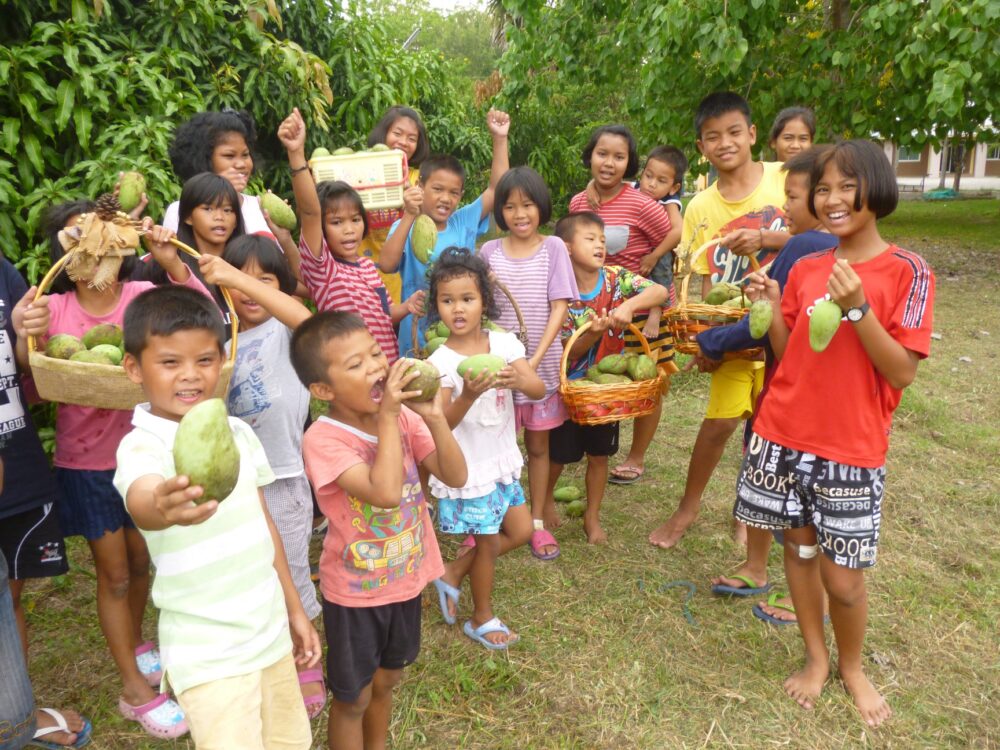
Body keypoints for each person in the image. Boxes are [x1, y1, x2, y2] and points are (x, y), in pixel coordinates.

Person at [738, 139, 934, 727]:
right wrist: (774, 305)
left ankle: (852, 664)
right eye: (822, 189)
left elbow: (901, 370)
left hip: (849, 448)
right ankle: (816, 657)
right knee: (797, 550)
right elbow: (790, 353)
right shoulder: (804, 267)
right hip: (782, 434)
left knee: (844, 581)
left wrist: (857, 309)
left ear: (877, 188)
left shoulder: (908, 272)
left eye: (847, 186)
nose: (832, 199)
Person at [115, 285, 321, 748]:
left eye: (205, 360)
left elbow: (263, 520)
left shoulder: (238, 432)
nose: (191, 376)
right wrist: (163, 506)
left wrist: (294, 608)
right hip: (207, 654)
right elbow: (142, 498)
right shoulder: (142, 444)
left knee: (289, 741)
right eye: (170, 363)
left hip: (267, 633)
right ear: (134, 368)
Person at [41, 203, 209, 739]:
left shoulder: (142, 297)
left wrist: (173, 265)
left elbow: (205, 322)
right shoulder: (54, 310)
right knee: (113, 574)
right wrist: (26, 329)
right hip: (87, 463)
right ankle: (134, 688)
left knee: (141, 563)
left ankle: (136, 643)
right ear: (68, 251)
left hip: (148, 453)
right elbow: (32, 371)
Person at [290, 312, 467, 749]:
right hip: (355, 594)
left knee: (388, 680)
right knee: (354, 697)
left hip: (405, 580)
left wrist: (434, 417)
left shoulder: (406, 418)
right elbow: (385, 492)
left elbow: (455, 475)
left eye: (375, 354)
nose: (375, 367)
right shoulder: (324, 439)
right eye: (355, 364)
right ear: (323, 390)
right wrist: (391, 416)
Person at [649, 91, 790, 549]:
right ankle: (686, 510)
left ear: (752, 134)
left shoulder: (785, 177)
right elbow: (704, 280)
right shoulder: (699, 207)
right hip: (735, 330)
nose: (725, 143)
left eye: (734, 132)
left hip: (787, 328)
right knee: (720, 423)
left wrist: (765, 236)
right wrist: (711, 338)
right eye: (713, 137)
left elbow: (818, 235)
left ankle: (747, 511)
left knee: (767, 428)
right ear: (701, 147)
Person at [699, 148, 836, 620]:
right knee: (762, 476)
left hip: (790, 396)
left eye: (794, 197)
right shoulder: (807, 244)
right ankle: (756, 567)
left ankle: (785, 584)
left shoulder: (802, 246)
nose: (788, 207)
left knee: (782, 487)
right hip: (788, 389)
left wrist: (710, 340)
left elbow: (758, 323)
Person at [196, 237, 325, 717]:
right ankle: (259, 651)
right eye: (239, 276)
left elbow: (307, 318)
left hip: (285, 478)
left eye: (262, 279)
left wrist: (237, 278)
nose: (250, 291)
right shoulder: (218, 341)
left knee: (290, 566)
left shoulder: (286, 332)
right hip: (234, 485)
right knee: (248, 570)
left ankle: (306, 657)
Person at [425, 248, 543, 647]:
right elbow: (442, 421)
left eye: (467, 299)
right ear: (436, 305)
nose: (457, 309)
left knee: (523, 530)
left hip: (501, 460)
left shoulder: (505, 344)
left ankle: (454, 571)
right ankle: (482, 616)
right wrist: (468, 396)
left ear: (484, 302)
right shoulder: (440, 360)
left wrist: (517, 381)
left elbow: (538, 388)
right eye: (447, 300)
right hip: (470, 469)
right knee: (490, 541)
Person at [1, 271, 92, 750]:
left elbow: (24, 360)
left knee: (8, 596)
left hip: (12, 460)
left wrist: (21, 332)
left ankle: (15, 712)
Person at [547, 212, 669, 544]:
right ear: (567, 248)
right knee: (559, 455)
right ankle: (544, 504)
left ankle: (592, 516)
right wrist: (591, 335)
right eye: (590, 239)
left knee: (599, 456)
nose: (600, 244)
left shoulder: (616, 279)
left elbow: (659, 291)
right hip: (570, 389)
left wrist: (630, 307)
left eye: (602, 239)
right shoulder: (560, 292)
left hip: (607, 394)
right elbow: (569, 353)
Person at [569, 125, 678, 486]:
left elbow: (668, 248)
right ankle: (597, 450)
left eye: (619, 157)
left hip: (642, 309)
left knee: (648, 381)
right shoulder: (579, 203)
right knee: (605, 379)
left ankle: (636, 456)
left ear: (629, 162)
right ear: (591, 156)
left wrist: (656, 302)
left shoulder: (643, 204)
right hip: (600, 312)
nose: (609, 163)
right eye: (602, 154)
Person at [479, 167, 578, 560]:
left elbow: (559, 307)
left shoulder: (553, 247)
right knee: (495, 447)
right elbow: (482, 308)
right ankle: (491, 522)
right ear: (501, 212)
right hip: (499, 372)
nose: (520, 214)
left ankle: (535, 521)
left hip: (541, 367)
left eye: (528, 205)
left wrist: (533, 362)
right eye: (510, 206)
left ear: (541, 207)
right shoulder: (488, 253)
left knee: (538, 446)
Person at [277, 108, 423, 363]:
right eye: (336, 222)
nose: (349, 229)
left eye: (355, 220)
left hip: (386, 368)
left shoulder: (367, 266)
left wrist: (408, 306)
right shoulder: (323, 268)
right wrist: (296, 154)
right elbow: (311, 212)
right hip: (352, 374)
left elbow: (386, 314)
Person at [380, 109, 511, 357]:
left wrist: (500, 139)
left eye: (453, 193)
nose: (445, 198)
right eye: (437, 189)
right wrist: (409, 214)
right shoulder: (407, 225)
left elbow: (496, 189)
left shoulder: (462, 221)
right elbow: (386, 264)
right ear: (421, 186)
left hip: (462, 333)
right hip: (417, 336)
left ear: (461, 196)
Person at [135, 172, 246, 326]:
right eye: (208, 209)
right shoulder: (156, 267)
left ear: (236, 221)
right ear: (188, 217)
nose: (220, 217)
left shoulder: (251, 262)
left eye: (228, 210)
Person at [360, 106, 431, 303]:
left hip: (401, 279)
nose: (403, 142)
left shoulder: (419, 179)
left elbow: (430, 224)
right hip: (362, 272)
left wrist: (412, 198)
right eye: (397, 133)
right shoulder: (361, 172)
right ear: (384, 134)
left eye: (412, 138)